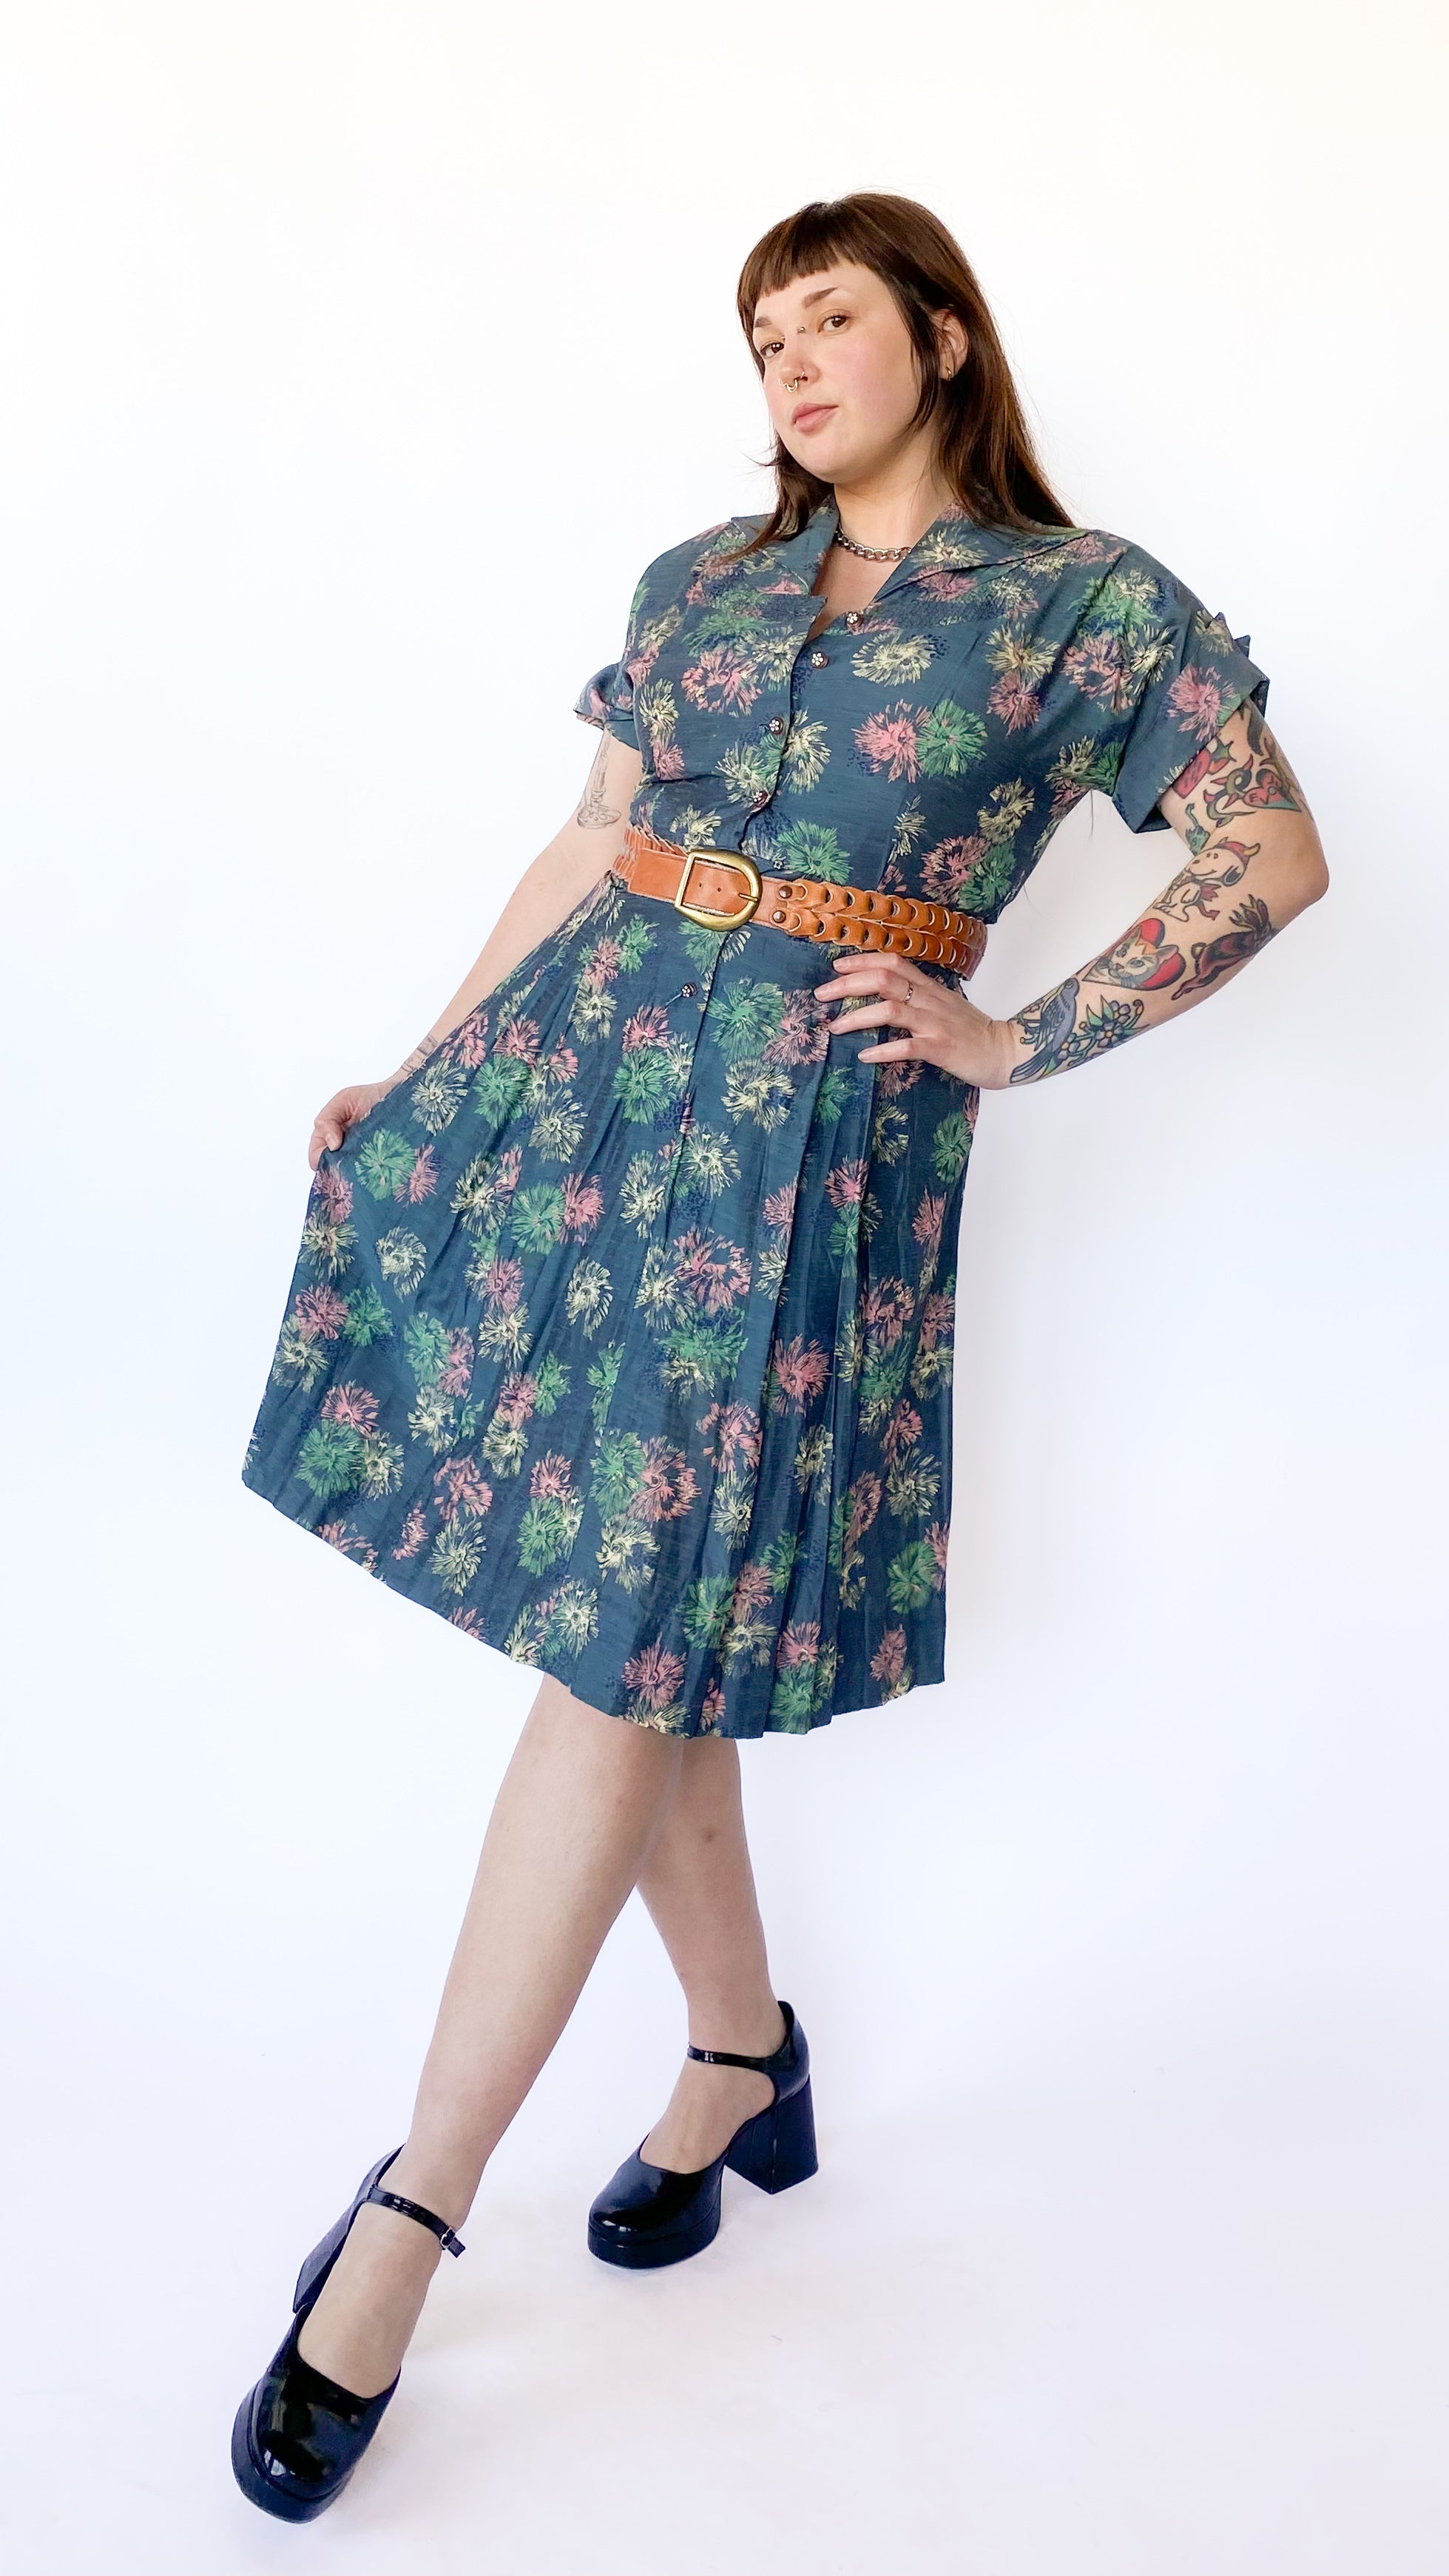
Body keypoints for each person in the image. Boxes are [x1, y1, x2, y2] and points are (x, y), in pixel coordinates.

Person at [232, 192, 1329, 2520]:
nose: (793, 363)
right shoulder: (702, 586)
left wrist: (1015, 1033)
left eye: (831, 318)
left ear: (946, 337)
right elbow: (594, 839)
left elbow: (1270, 854)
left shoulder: (1076, 604)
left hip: (813, 1163)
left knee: (624, 1647)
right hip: (596, 1100)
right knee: (649, 1643)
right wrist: (422, 1066)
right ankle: (741, 2054)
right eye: (762, 336)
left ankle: (409, 2214)